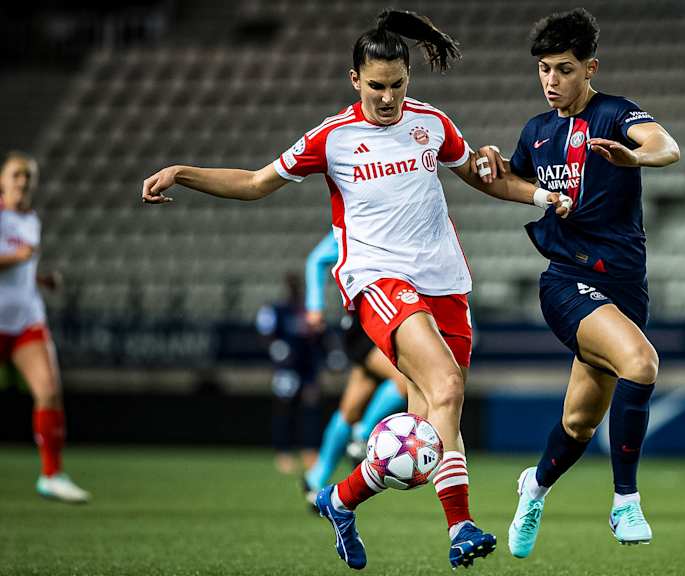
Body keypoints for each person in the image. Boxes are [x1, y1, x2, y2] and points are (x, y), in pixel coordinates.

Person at [140, 10, 520, 569]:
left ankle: (339, 500)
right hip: (377, 281)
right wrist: (181, 171)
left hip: (445, 284)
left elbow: (487, 179)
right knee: (447, 383)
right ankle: (461, 526)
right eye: (376, 86)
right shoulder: (332, 138)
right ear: (354, 80)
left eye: (397, 85)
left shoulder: (431, 125)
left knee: (424, 445)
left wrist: (540, 191)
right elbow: (253, 183)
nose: (387, 98)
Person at [469, 8, 680, 557]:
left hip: (625, 286)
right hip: (566, 281)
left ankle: (532, 488)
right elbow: (510, 183)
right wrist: (491, 164)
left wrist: (634, 155)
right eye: (544, 69)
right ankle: (625, 501)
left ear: (590, 68)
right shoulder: (537, 132)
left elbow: (667, 146)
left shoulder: (616, 114)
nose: (551, 82)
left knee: (580, 423)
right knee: (641, 362)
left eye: (563, 69)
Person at [0, 151, 90, 503]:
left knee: (49, 391)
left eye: (28, 176)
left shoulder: (31, 219)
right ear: (3, 180)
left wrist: (40, 279)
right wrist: (15, 260)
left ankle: (52, 475)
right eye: (17, 175)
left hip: (25, 321)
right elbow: (12, 259)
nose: (23, 181)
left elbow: (19, 269)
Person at [301, 232, 408, 504]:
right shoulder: (355, 222)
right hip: (364, 326)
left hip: (385, 323)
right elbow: (316, 259)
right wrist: (315, 306)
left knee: (349, 409)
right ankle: (362, 437)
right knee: (406, 377)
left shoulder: (398, 221)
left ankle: (315, 478)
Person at [256, 272, 323, 475]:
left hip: (308, 366)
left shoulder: (307, 311)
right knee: (285, 409)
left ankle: (309, 450)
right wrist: (277, 349)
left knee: (310, 408)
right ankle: (283, 452)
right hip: (287, 368)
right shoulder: (276, 310)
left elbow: (319, 336)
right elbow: (265, 334)